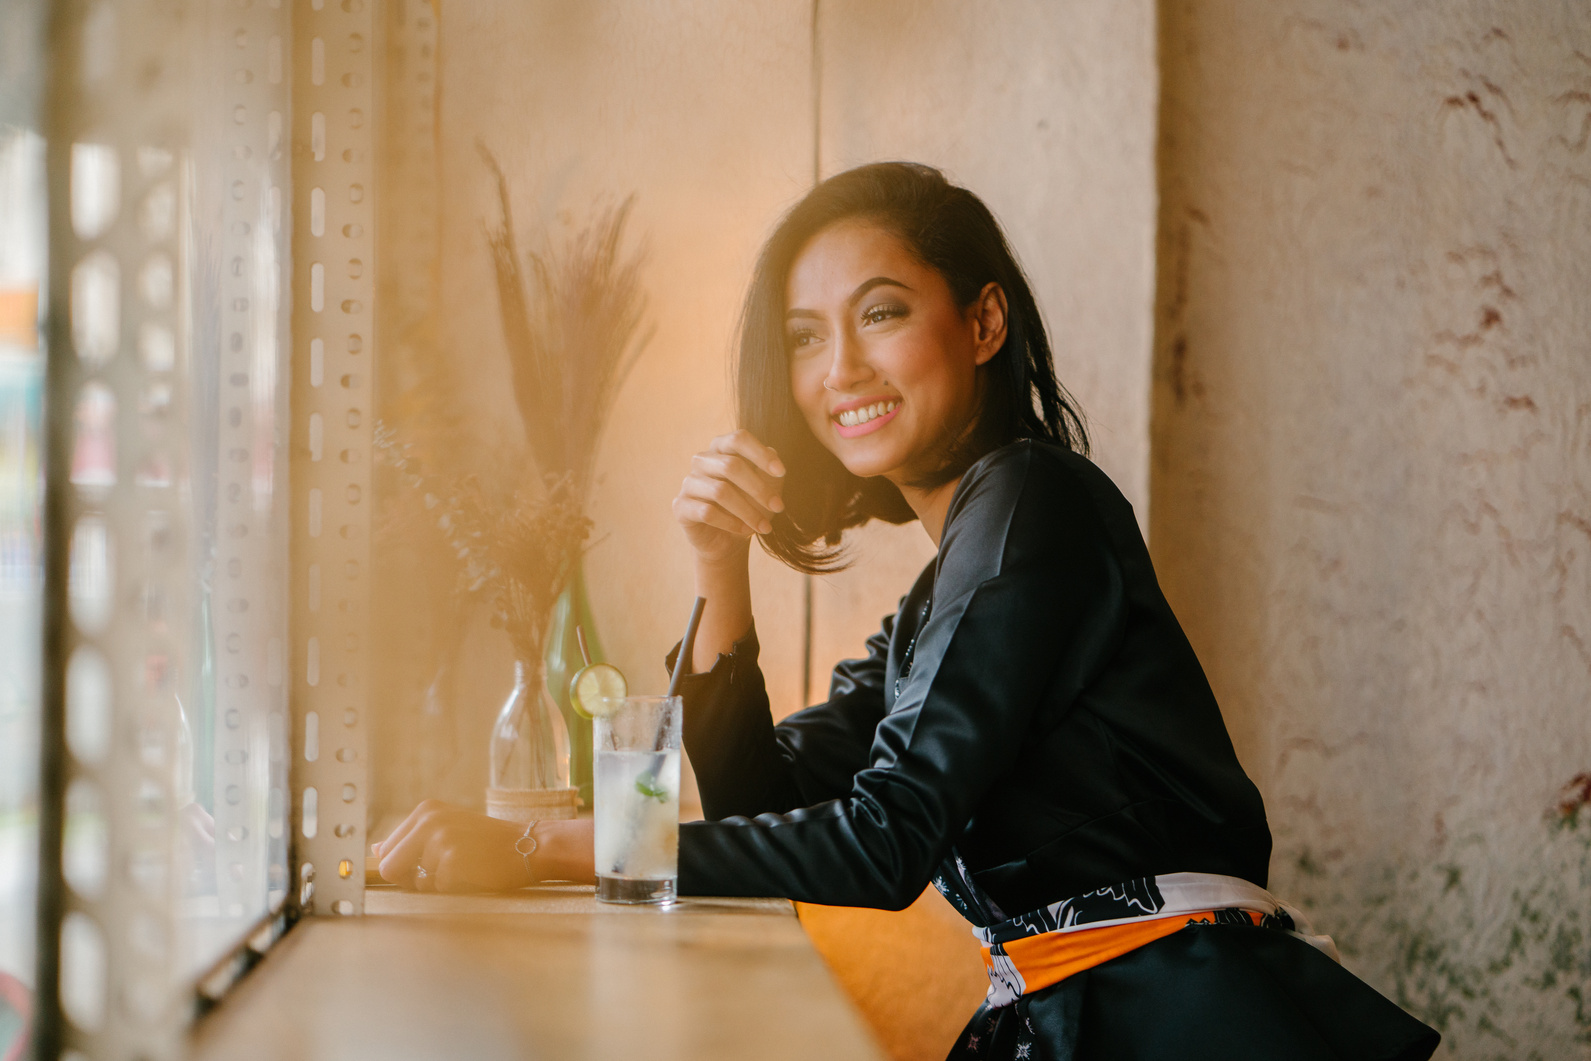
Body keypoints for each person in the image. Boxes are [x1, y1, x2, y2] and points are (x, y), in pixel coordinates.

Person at [376, 162, 1440, 1061]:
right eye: (802, 336)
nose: (838, 368)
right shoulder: (948, 583)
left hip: (1183, 1015)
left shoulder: (1031, 500)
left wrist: (537, 846)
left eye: (879, 313)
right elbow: (762, 793)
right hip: (1098, 1012)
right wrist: (719, 571)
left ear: (981, 321)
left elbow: (882, 842)